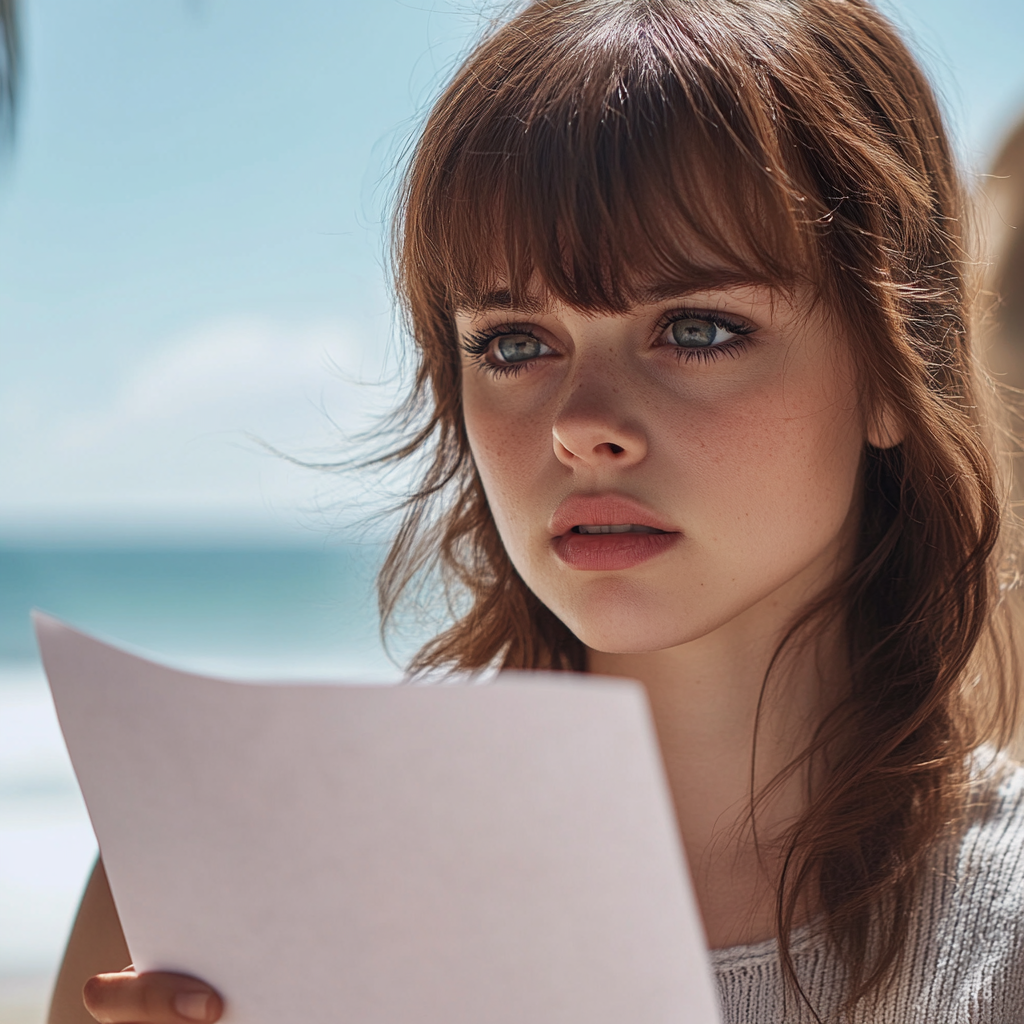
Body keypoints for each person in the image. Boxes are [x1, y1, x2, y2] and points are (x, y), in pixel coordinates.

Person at [47, 0, 1024, 1021]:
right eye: (514, 342)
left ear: (894, 366)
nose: (581, 425)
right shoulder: (217, 880)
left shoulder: (996, 933)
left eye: (694, 327)